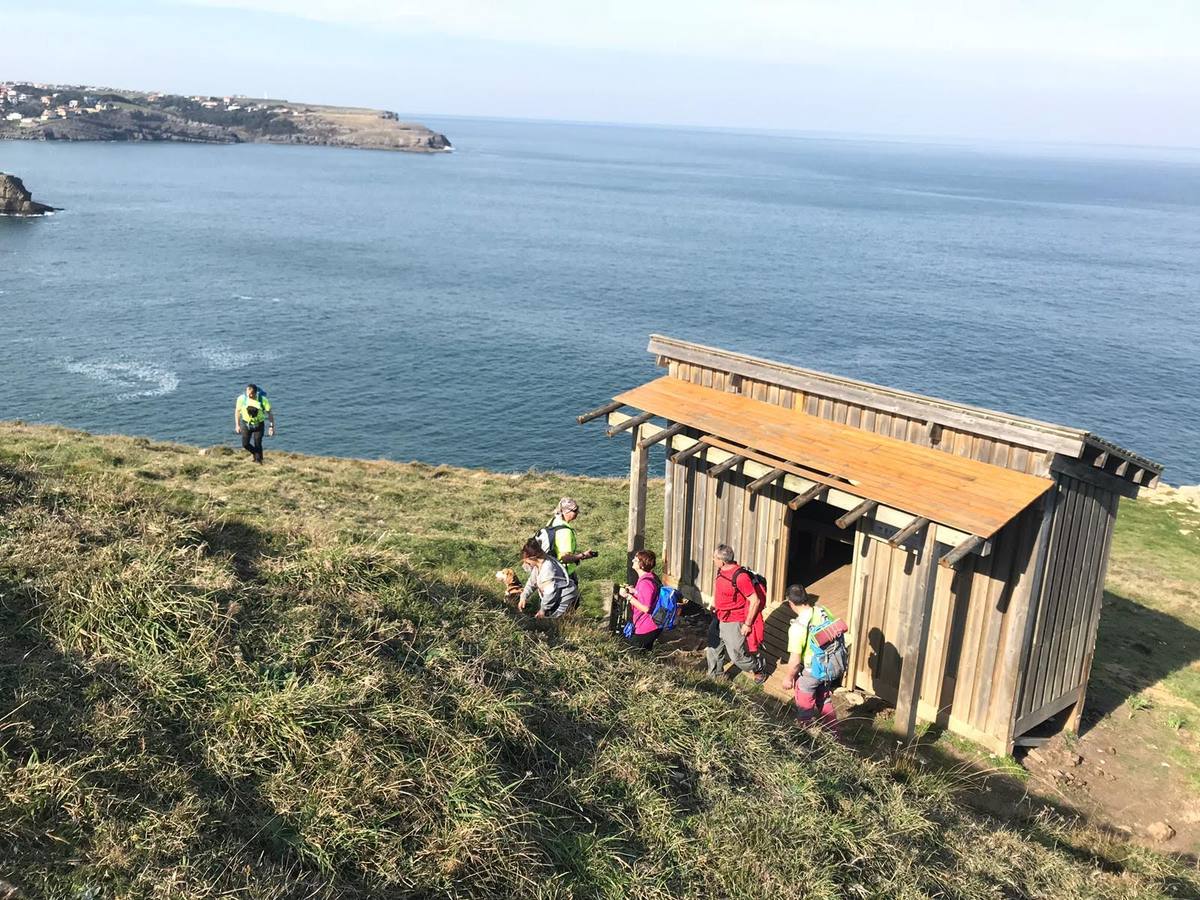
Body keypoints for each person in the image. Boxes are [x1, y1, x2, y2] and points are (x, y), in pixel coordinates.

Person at [780, 584, 841, 738]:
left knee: (804, 703)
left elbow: (794, 661)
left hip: (811, 671)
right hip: (828, 666)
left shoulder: (798, 627)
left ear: (791, 603)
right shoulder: (823, 611)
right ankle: (834, 735)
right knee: (824, 699)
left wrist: (788, 679)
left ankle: (805, 735)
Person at [707, 544, 766, 683]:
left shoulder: (740, 577)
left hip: (734, 620)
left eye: (714, 558)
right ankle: (715, 677)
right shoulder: (721, 570)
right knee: (713, 647)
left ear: (722, 561)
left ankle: (758, 666)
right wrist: (715, 604)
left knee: (736, 656)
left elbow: (755, 601)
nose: (713, 560)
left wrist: (747, 624)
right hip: (719, 615)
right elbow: (721, 589)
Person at [517, 538, 579, 619]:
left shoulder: (548, 568)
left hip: (566, 599)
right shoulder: (539, 564)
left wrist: (543, 610)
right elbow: (532, 582)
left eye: (527, 562)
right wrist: (523, 597)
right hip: (557, 598)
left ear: (532, 558)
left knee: (555, 623)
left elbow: (550, 593)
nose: (525, 565)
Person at [618, 549, 662, 651]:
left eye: (636, 560)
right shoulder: (651, 577)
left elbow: (646, 608)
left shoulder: (645, 583)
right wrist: (634, 591)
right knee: (644, 654)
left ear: (642, 565)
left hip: (646, 627)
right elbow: (649, 596)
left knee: (632, 653)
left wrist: (628, 596)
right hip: (652, 625)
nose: (633, 560)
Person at [544, 497, 594, 582]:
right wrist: (582, 555)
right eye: (574, 511)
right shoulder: (565, 531)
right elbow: (565, 558)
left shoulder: (552, 522)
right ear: (566, 511)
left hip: (549, 570)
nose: (577, 512)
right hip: (563, 574)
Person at [234, 383, 275, 464]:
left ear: (255, 393)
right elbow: (237, 412)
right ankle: (257, 455)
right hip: (246, 424)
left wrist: (271, 427)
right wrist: (237, 425)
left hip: (259, 424)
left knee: (257, 443)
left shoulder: (262, 400)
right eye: (247, 393)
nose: (249, 395)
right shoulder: (241, 399)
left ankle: (258, 461)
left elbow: (269, 413)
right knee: (245, 444)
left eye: (251, 393)